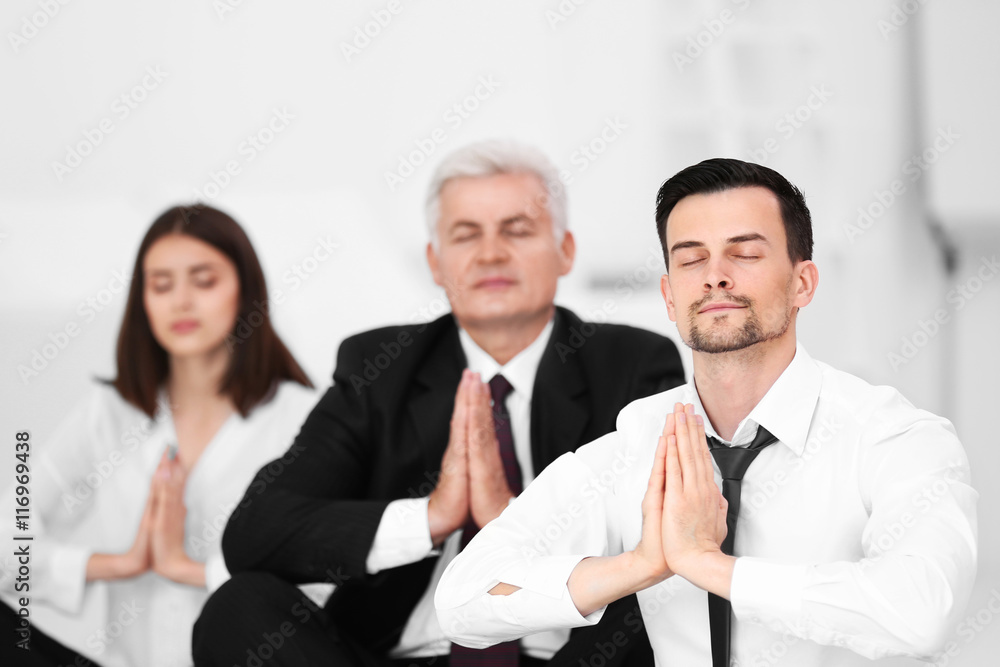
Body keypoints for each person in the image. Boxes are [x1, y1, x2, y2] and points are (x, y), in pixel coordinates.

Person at [435, 158, 979, 666]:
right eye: (692, 258)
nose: (715, 275)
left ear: (802, 283)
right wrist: (642, 564)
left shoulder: (895, 438)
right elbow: (462, 600)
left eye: (744, 254)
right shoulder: (636, 442)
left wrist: (712, 568)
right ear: (670, 297)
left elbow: (922, 610)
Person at [193, 140, 686, 666]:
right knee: (238, 609)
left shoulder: (632, 362)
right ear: (435, 260)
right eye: (465, 234)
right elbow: (254, 535)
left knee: (669, 590)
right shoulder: (378, 366)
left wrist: (516, 525)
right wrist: (432, 516)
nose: (491, 253)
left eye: (517, 230)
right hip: (400, 655)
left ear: (565, 250)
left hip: (563, 655)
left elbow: (664, 547)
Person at [0, 205, 316, 667]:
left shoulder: (301, 418)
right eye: (161, 285)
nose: (180, 302)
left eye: (204, 281)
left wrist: (188, 570)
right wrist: (117, 563)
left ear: (246, 290)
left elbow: (324, 586)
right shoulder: (108, 412)